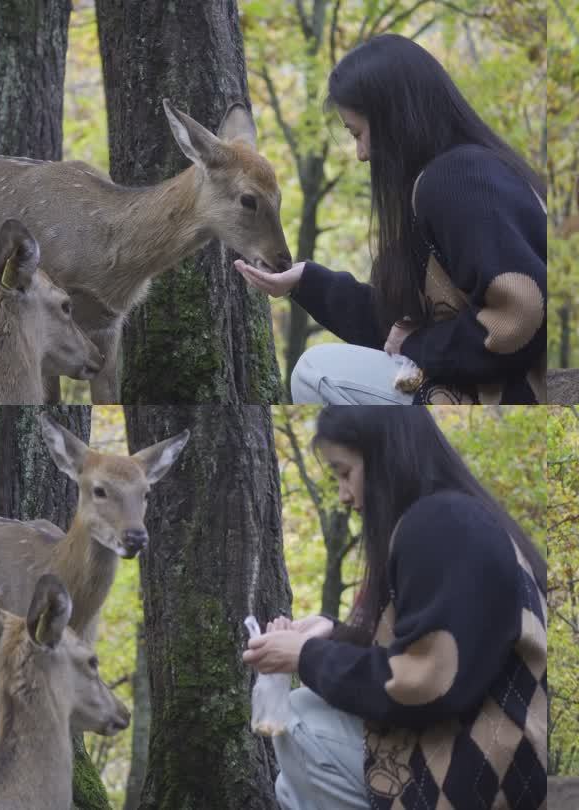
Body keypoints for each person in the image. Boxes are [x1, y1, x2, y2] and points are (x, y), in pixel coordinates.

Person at [242, 406, 548, 810]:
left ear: (385, 456)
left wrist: (306, 655)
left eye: (344, 473)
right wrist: (334, 634)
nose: (344, 496)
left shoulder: (443, 523)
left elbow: (426, 681)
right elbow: (432, 646)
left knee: (302, 722)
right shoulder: (456, 517)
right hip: (496, 767)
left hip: (482, 780)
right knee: (289, 786)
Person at [234, 35, 547, 405]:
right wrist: (305, 281)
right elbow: (393, 330)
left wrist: (417, 344)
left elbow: (521, 315)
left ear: (394, 118)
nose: (361, 154)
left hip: (515, 399)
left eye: (358, 133)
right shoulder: (452, 178)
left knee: (314, 371)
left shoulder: (457, 178)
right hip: (489, 391)